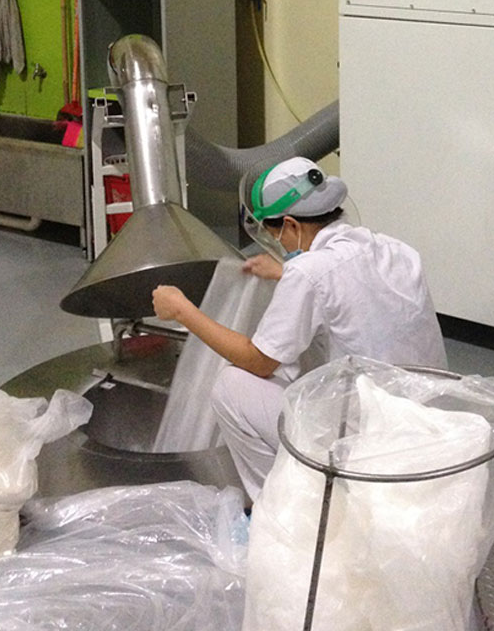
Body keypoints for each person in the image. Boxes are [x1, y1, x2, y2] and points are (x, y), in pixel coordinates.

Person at [151, 156, 447, 502]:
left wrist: (183, 311)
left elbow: (259, 361)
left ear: (291, 225)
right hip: (424, 424)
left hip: (366, 444)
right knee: (309, 342)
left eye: (276, 234)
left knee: (230, 386)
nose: (279, 244)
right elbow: (355, 292)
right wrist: (285, 273)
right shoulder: (396, 250)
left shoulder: (308, 273)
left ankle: (287, 506)